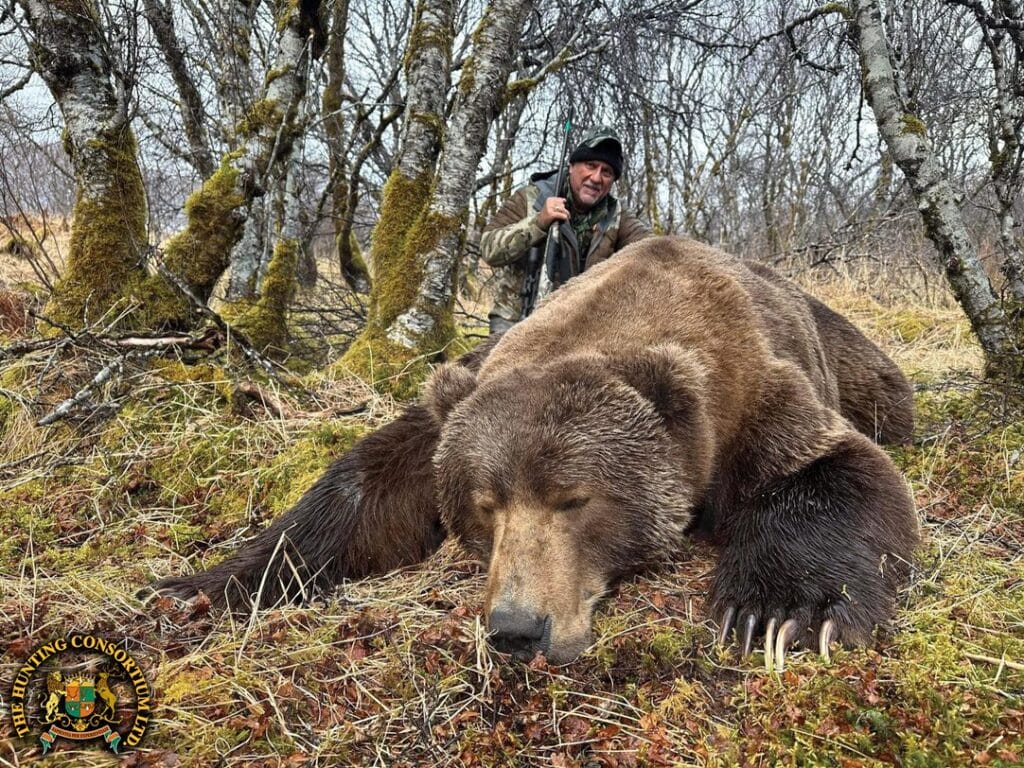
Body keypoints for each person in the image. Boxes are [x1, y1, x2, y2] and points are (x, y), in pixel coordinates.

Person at [479, 126, 651, 334]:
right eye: (590, 165)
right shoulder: (531, 198)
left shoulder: (617, 216)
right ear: (571, 166)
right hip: (515, 323)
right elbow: (489, 249)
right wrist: (538, 223)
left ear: (612, 181)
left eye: (606, 172)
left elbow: (654, 249)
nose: (596, 178)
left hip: (574, 332)